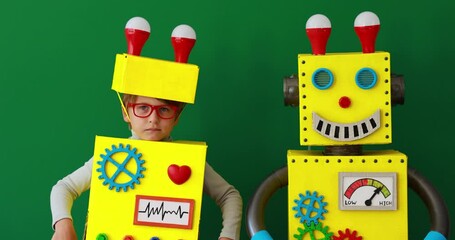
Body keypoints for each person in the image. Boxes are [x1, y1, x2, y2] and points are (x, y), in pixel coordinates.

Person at [50, 93, 243, 240]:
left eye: (164, 110)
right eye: (142, 108)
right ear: (126, 112)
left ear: (177, 117)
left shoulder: (188, 160)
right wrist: (62, 223)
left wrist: (228, 236)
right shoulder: (111, 157)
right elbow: (64, 188)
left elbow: (229, 196)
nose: (153, 118)